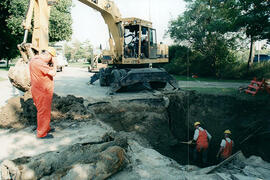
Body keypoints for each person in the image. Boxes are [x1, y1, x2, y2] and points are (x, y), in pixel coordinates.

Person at [29, 47, 57, 139]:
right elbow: (53, 73)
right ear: (49, 55)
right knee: (43, 112)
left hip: (41, 90)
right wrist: (55, 63)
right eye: (51, 58)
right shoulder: (39, 62)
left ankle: (46, 128)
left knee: (45, 111)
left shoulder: (35, 60)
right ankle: (41, 133)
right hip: (42, 91)